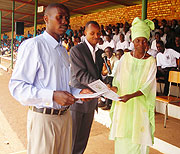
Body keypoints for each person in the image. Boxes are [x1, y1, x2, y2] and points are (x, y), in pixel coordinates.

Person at [9, 3, 92, 154]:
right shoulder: (34, 46)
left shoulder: (61, 50)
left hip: (65, 118)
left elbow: (62, 87)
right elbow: (17, 87)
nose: (65, 21)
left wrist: (79, 94)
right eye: (59, 17)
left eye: (67, 18)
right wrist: (52, 96)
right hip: (44, 119)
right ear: (46, 18)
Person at [109, 17, 156, 154]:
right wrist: (113, 89)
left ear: (147, 42)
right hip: (123, 105)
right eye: (137, 40)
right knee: (123, 139)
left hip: (140, 106)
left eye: (144, 41)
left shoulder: (151, 61)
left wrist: (131, 95)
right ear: (132, 41)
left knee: (139, 139)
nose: (140, 44)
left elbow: (148, 86)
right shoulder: (125, 58)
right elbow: (117, 80)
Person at [70, 21, 104, 154]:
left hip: (91, 103)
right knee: (72, 140)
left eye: (98, 33)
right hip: (78, 102)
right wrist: (102, 89)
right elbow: (81, 75)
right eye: (92, 33)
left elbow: (97, 76)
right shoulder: (77, 50)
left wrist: (106, 85)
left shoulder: (100, 52)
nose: (96, 36)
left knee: (83, 140)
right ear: (85, 33)